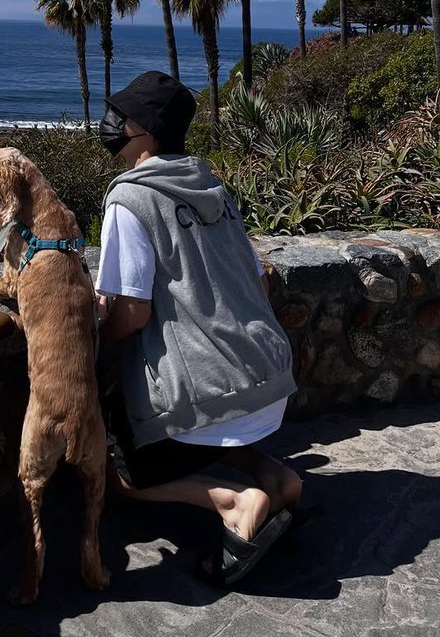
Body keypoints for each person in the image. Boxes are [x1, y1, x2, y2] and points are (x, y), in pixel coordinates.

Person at [95, 70, 303, 584]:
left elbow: (132, 312)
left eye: (118, 118)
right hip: (269, 378)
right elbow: (260, 278)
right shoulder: (212, 185)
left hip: (207, 392)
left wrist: (95, 342)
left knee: (117, 474)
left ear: (142, 130)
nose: (109, 125)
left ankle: (233, 503)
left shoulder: (130, 200)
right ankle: (277, 476)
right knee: (217, 429)